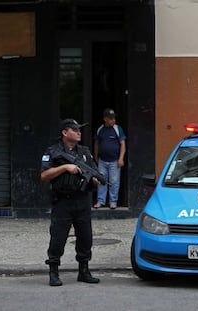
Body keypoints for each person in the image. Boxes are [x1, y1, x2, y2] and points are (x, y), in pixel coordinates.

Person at [41, 118, 101, 286]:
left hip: (82, 200)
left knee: (85, 237)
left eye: (79, 130)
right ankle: (53, 271)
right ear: (65, 133)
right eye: (75, 130)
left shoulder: (84, 151)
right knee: (58, 238)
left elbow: (95, 173)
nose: (79, 132)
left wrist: (94, 179)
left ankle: (84, 270)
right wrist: (65, 168)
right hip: (62, 202)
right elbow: (44, 175)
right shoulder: (53, 151)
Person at [93, 108, 126, 209]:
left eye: (114, 118)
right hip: (102, 160)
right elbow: (97, 143)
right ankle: (100, 201)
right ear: (105, 119)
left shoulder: (117, 129)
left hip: (114, 161)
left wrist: (121, 159)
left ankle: (113, 201)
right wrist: (96, 155)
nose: (113, 120)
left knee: (114, 182)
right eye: (111, 119)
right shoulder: (100, 130)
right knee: (101, 180)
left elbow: (123, 144)